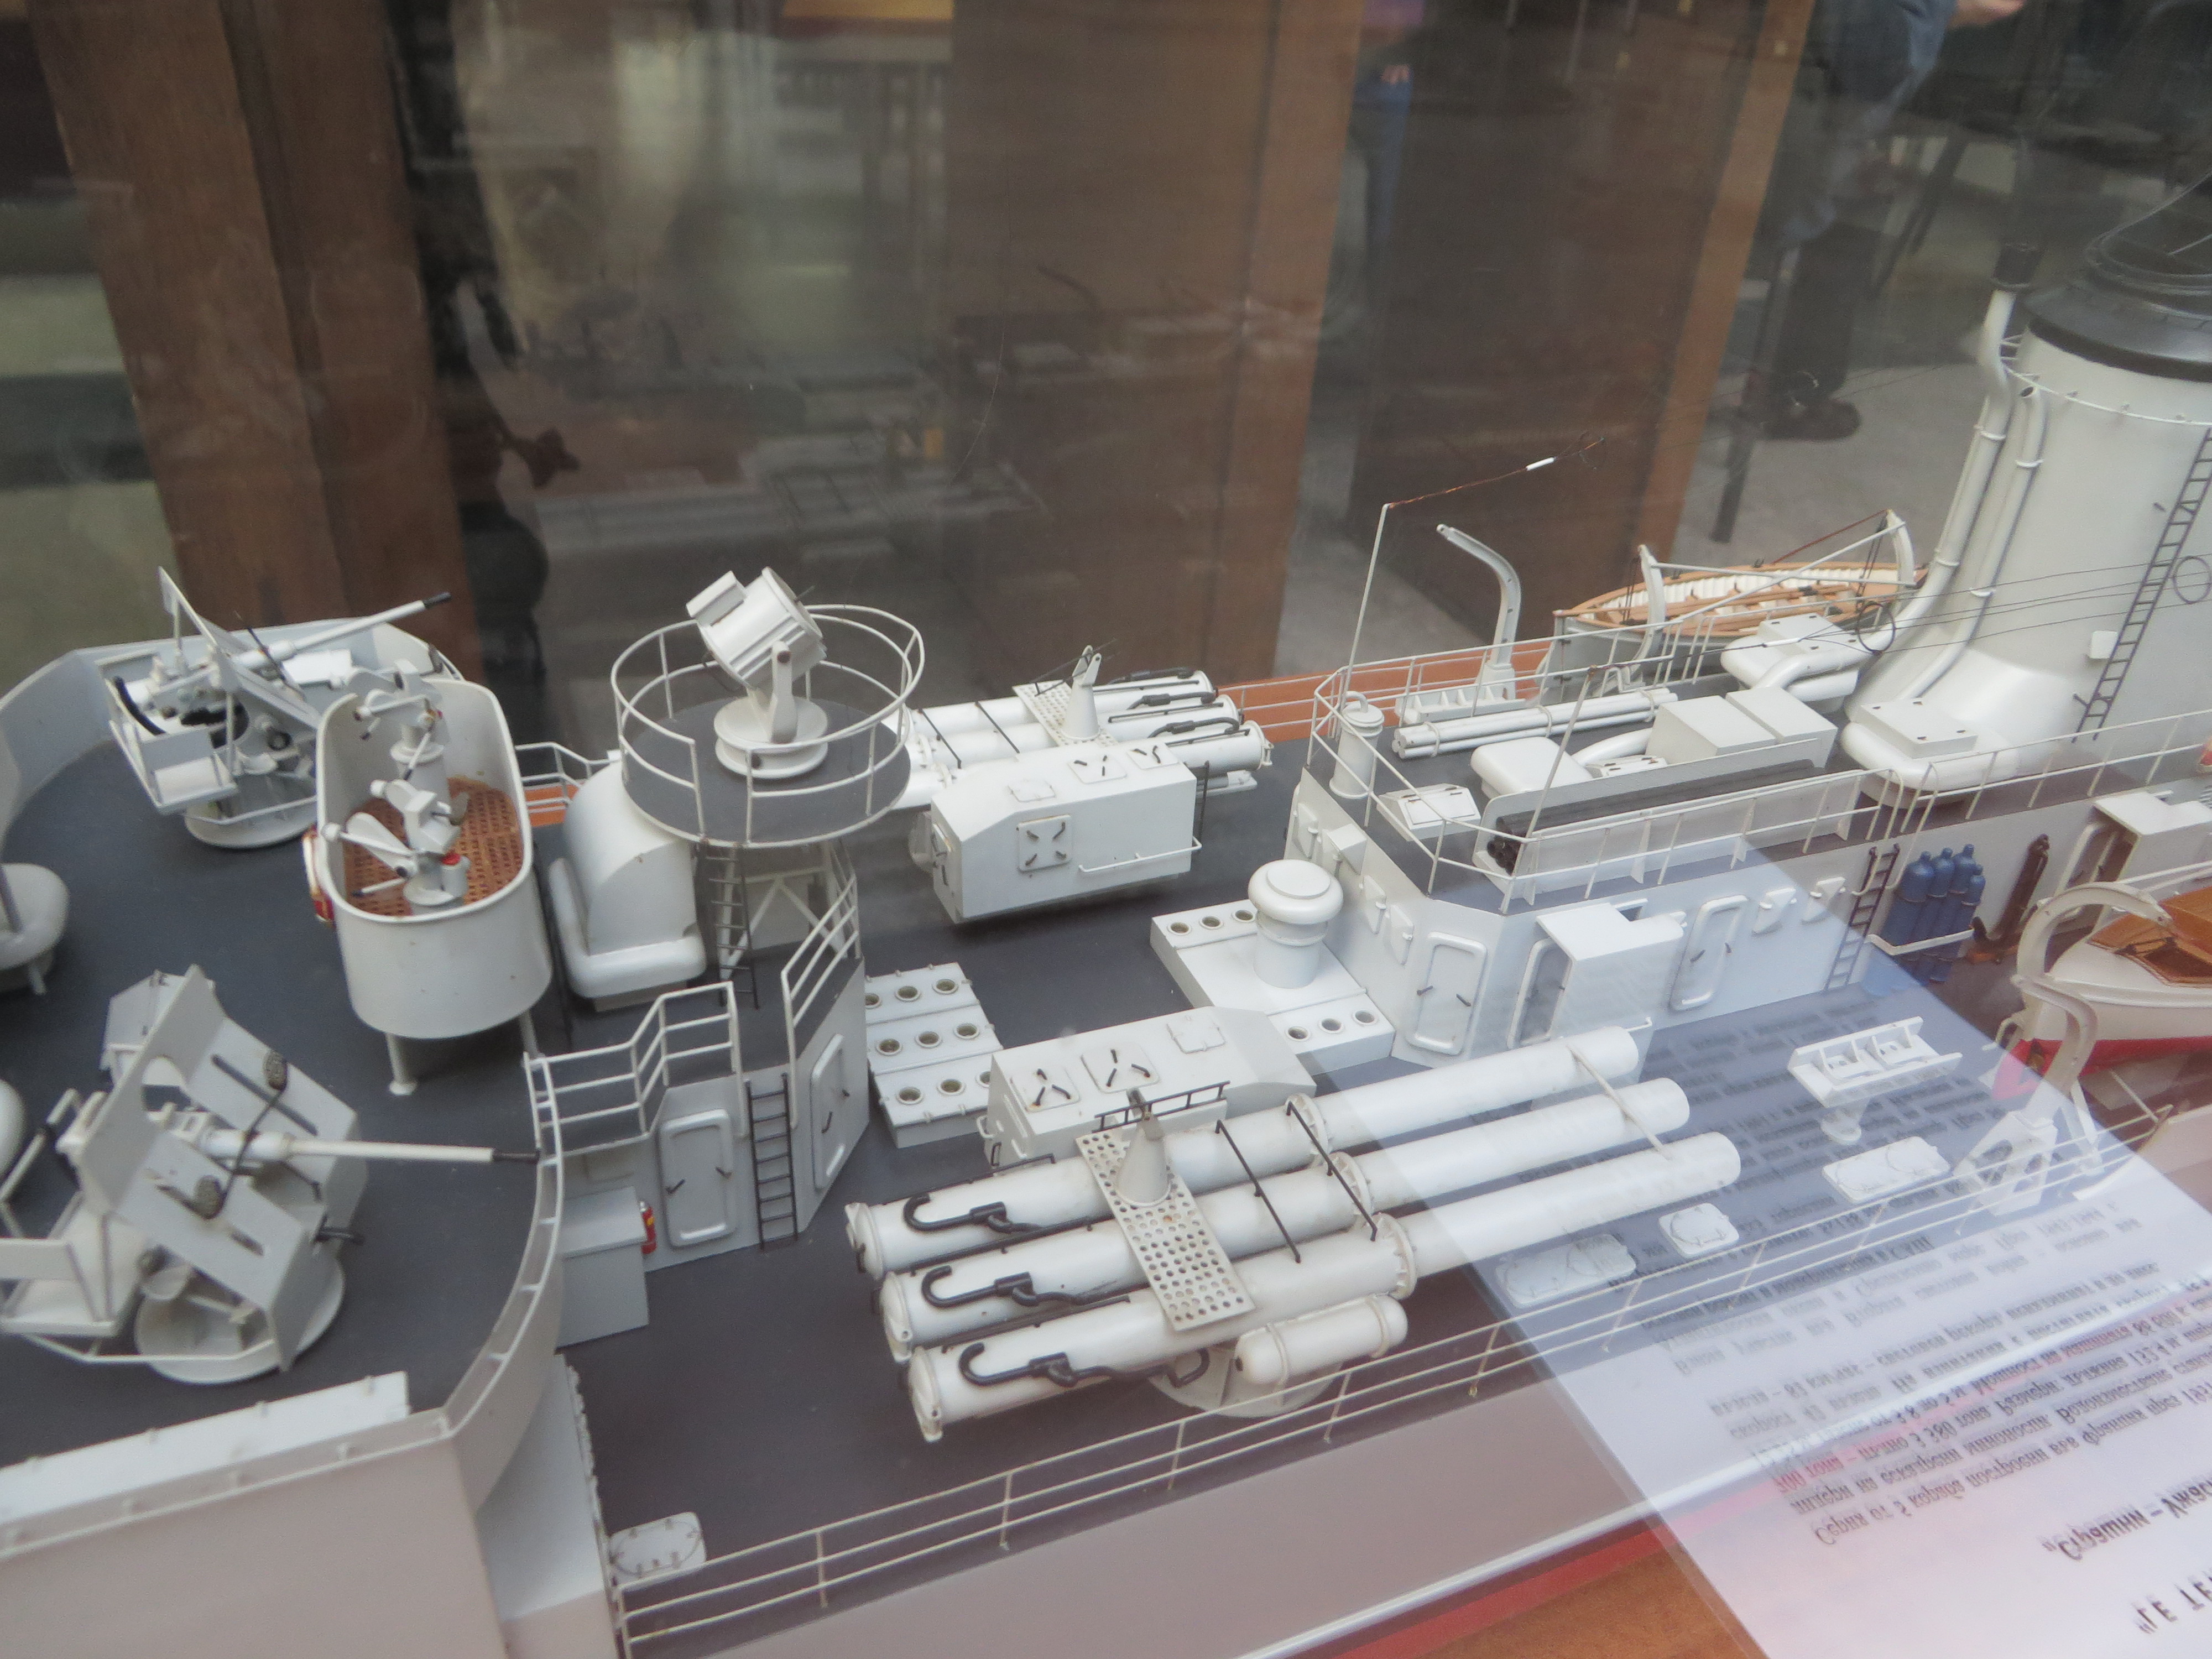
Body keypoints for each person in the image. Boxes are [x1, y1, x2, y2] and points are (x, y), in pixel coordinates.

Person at [1758, 0, 2027, 440]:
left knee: (1860, 212)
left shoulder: (1911, 24)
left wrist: (1860, 157)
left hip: (1783, 154)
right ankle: (1794, 394)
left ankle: (1794, 386)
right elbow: (1822, 129)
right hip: (1765, 180)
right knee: (1849, 238)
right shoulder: (1897, 31)